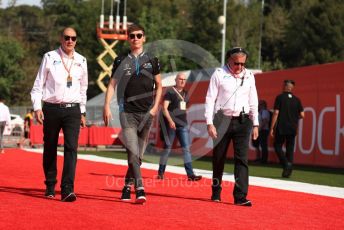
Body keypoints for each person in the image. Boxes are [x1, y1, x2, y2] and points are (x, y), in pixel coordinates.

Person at [103, 24, 162, 204]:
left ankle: (126, 187)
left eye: (139, 35)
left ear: (144, 38)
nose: (135, 38)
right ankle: (140, 188)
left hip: (147, 113)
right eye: (132, 36)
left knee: (138, 156)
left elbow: (159, 85)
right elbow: (112, 85)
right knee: (132, 153)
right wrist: (106, 105)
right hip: (126, 113)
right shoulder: (120, 60)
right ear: (128, 38)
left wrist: (154, 109)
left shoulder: (153, 60)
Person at [30, 27, 88, 202]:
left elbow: (83, 88)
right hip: (52, 108)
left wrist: (83, 111)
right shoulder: (49, 57)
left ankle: (67, 188)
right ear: (61, 39)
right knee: (50, 147)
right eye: (67, 38)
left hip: (73, 110)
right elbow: (38, 85)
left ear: (76, 40)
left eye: (73, 38)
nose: (70, 41)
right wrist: (37, 108)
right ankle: (50, 184)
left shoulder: (82, 60)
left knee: (71, 148)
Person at [205, 47, 259, 206]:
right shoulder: (219, 74)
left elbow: (253, 100)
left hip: (243, 121)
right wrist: (209, 123)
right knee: (218, 158)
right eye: (237, 63)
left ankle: (240, 196)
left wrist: (255, 123)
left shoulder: (249, 76)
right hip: (222, 120)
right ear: (229, 60)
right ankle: (216, 191)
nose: (240, 67)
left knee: (242, 159)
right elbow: (210, 99)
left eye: (243, 64)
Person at [157, 73, 202, 181]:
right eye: (180, 79)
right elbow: (164, 108)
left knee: (186, 150)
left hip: (183, 125)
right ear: (176, 80)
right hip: (171, 125)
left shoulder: (186, 93)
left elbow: (184, 108)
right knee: (167, 149)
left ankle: (190, 175)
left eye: (184, 79)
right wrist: (171, 121)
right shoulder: (170, 92)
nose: (182, 81)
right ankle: (161, 172)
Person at [270, 80, 304, 178]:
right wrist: (294, 118)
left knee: (277, 146)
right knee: (290, 149)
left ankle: (286, 164)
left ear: (284, 86)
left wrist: (272, 128)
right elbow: (302, 115)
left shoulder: (280, 97)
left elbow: (276, 113)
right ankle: (287, 171)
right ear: (292, 88)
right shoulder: (297, 100)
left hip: (282, 126)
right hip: (293, 128)